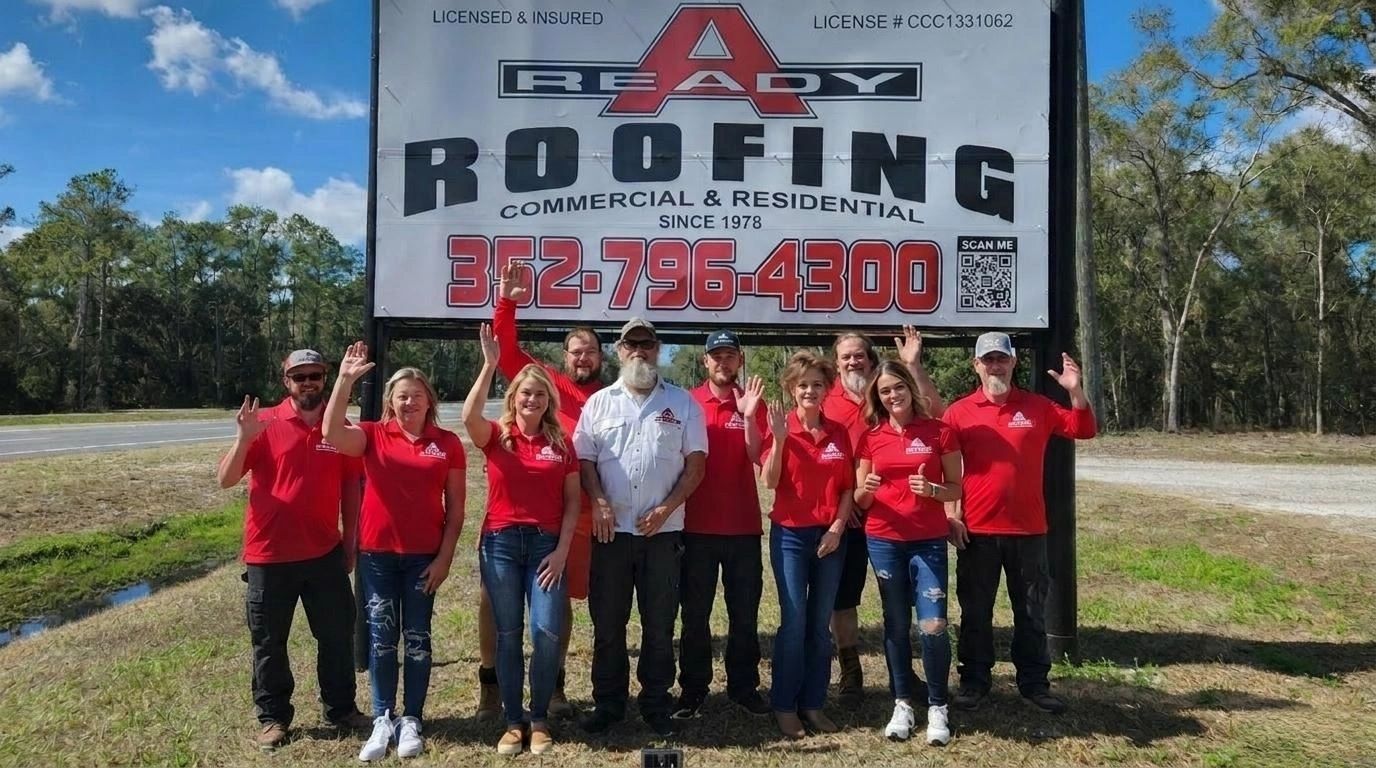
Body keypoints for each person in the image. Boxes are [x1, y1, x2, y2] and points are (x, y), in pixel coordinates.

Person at [216, 349, 372, 751]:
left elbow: (352, 490)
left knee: (337, 635)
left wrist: (351, 539)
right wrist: (242, 438)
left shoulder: (338, 427)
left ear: (324, 378)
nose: (308, 383)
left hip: (324, 553)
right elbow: (226, 479)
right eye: (298, 376)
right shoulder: (263, 423)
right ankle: (273, 718)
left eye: (315, 375)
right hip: (268, 557)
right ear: (286, 381)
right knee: (269, 642)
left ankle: (341, 709)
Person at [322, 343, 466, 761]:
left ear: (429, 401)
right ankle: (383, 718)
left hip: (424, 558)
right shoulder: (371, 434)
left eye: (416, 396)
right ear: (390, 401)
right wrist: (345, 381)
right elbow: (331, 433)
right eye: (402, 396)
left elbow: (456, 508)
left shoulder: (447, 443)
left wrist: (445, 558)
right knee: (382, 639)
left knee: (418, 639)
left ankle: (413, 719)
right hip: (378, 557)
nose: (409, 403)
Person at [940, 332, 1097, 715]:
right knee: (975, 611)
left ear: (1013, 363)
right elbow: (944, 467)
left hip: (1029, 530)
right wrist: (950, 514)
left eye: (1002, 359)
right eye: (988, 360)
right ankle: (974, 682)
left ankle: (1034, 684)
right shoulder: (958, 412)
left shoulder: (1038, 406)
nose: (995, 366)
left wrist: (1075, 392)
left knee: (1031, 611)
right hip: (977, 530)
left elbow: (1083, 429)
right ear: (976, 366)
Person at [475, 262, 603, 720]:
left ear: (601, 358)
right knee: (493, 598)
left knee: (559, 596)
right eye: (575, 351)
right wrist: (508, 300)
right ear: (564, 357)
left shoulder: (610, 398)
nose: (582, 358)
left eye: (590, 351)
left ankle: (553, 687)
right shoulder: (549, 384)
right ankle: (491, 682)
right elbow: (505, 349)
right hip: (511, 515)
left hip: (574, 513)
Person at [573, 318, 708, 739]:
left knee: (659, 623)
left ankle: (655, 704)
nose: (639, 352)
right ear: (618, 351)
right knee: (608, 624)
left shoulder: (684, 404)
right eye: (631, 345)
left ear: (658, 349)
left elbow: (697, 466)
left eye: (646, 344)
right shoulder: (598, 404)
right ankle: (608, 704)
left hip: (662, 534)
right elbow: (585, 461)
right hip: (610, 535)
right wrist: (597, 502)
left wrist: (667, 509)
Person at [462, 323, 581, 755]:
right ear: (513, 399)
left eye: (540, 394)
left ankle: (540, 717)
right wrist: (490, 365)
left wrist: (563, 550)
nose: (532, 400)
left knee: (547, 630)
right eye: (525, 394)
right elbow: (470, 417)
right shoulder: (497, 436)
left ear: (549, 402)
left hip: (547, 546)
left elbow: (572, 503)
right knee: (509, 633)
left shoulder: (561, 443)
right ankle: (514, 722)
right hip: (501, 544)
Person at [823, 328, 942, 706]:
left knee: (901, 604)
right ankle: (851, 672)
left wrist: (912, 365)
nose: (853, 362)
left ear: (871, 359)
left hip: (897, 522)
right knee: (843, 599)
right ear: (836, 363)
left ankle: (904, 680)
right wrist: (846, 508)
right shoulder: (826, 401)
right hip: (848, 517)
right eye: (846, 357)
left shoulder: (892, 389)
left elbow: (939, 416)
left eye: (859, 355)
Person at [853, 361, 965, 746]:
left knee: (933, 625)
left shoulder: (940, 432)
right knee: (896, 623)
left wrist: (932, 490)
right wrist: (866, 487)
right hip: (883, 539)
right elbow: (860, 498)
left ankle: (937, 705)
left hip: (928, 540)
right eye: (884, 391)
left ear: (909, 389)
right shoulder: (871, 437)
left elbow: (956, 488)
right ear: (877, 398)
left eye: (898, 387)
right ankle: (902, 702)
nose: (892, 395)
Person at [672, 330, 771, 720]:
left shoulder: (753, 402)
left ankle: (743, 688)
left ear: (740, 360)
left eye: (730, 356)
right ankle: (693, 690)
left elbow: (757, 455)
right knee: (695, 615)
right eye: (716, 356)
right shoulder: (687, 402)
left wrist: (748, 415)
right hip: (695, 528)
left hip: (743, 527)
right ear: (705, 361)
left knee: (743, 615)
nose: (723, 363)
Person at [762, 351, 855, 739]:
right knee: (795, 621)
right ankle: (785, 706)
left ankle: (813, 704)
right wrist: (781, 440)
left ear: (826, 388)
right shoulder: (781, 429)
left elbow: (848, 487)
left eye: (817, 384)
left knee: (820, 626)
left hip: (831, 537)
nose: (810, 391)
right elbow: (769, 481)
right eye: (803, 385)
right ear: (791, 388)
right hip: (791, 538)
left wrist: (836, 528)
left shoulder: (838, 433)